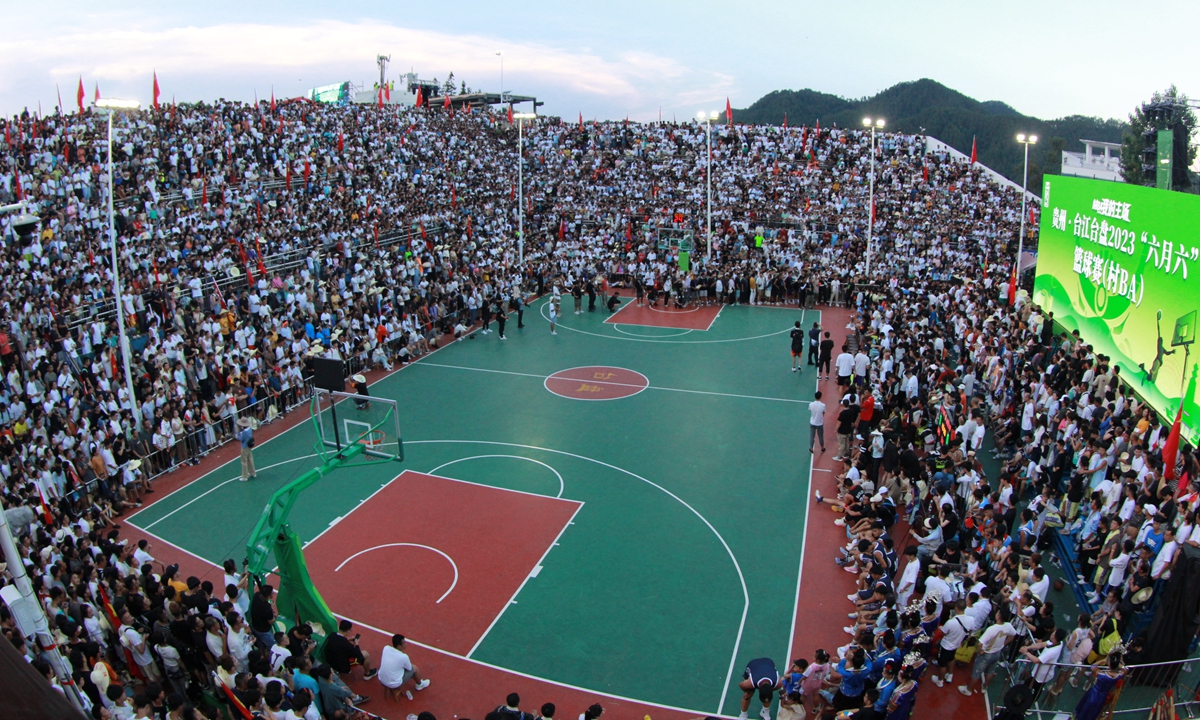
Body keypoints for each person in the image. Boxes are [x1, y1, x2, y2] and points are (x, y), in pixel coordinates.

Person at [377, 634, 430, 701]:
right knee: (415, 668)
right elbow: (410, 669)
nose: (406, 644)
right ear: (399, 646)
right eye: (404, 643)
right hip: (394, 683)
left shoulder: (386, 648)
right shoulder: (403, 657)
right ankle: (420, 684)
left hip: (381, 678)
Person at [1073, 653, 1125, 720]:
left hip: (1093, 693)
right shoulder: (1118, 676)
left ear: (1109, 664)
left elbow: (1093, 666)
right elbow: (1124, 668)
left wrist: (1103, 660)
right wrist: (1120, 661)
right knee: (1094, 711)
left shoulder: (1102, 675)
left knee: (1086, 707)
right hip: (1103, 696)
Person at [237, 416, 256, 481]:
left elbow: (241, 439)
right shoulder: (250, 429)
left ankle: (245, 476)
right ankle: (253, 473)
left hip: (244, 447)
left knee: (244, 461)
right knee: (250, 459)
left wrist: (238, 433)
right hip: (249, 446)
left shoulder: (244, 432)